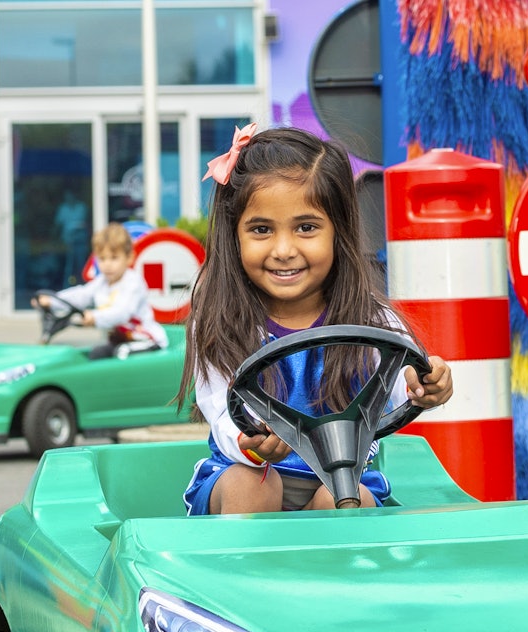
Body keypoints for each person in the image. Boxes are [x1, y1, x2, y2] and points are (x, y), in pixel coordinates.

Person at [177, 124, 453, 516]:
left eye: (306, 228)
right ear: (233, 236)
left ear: (338, 231)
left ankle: (343, 576)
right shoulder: (221, 322)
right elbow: (221, 411)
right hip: (249, 473)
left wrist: (426, 384)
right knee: (252, 485)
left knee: (346, 499)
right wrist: (249, 440)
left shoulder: (372, 320)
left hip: (341, 480)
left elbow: (399, 391)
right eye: (261, 230)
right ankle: (246, 574)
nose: (284, 250)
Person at [32, 221, 168, 358]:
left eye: (114, 258)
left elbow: (123, 312)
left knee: (121, 353)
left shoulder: (133, 282)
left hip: (146, 339)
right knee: (95, 354)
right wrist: (52, 301)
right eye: (102, 259)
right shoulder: (101, 282)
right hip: (120, 340)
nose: (107, 264)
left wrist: (94, 317)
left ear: (129, 258)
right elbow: (81, 295)